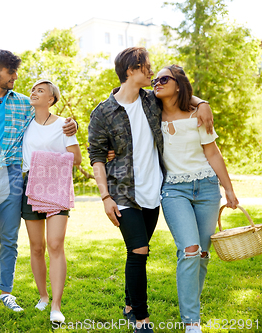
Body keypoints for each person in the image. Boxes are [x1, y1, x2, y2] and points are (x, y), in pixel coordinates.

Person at [87, 47, 213, 333]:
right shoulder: (103, 112)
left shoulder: (151, 99)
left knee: (140, 250)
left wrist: (201, 102)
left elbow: (180, 95)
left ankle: (130, 303)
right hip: (122, 192)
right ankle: (141, 320)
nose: (152, 71)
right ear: (131, 69)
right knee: (139, 250)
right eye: (147, 67)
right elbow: (96, 155)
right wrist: (105, 196)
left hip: (155, 190)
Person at [0, 50, 77, 326]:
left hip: (13, 177)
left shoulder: (23, 104)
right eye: (11, 73)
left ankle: (6, 292)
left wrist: (71, 125)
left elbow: (48, 119)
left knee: (9, 239)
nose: (16, 78)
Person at [153, 65, 238, 333]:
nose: (157, 82)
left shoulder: (197, 116)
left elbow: (213, 154)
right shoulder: (150, 114)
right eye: (155, 79)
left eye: (164, 78)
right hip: (173, 190)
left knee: (201, 253)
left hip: (207, 189)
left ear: (178, 85)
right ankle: (192, 322)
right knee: (189, 250)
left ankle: (192, 306)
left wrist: (229, 189)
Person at [21, 79, 81, 324]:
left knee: (55, 244)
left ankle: (56, 305)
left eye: (41, 90)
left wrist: (47, 161)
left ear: (51, 99)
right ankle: (43, 296)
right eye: (34, 89)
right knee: (36, 247)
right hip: (29, 184)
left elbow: (76, 158)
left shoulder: (64, 124)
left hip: (56, 185)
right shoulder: (24, 122)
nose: (34, 92)